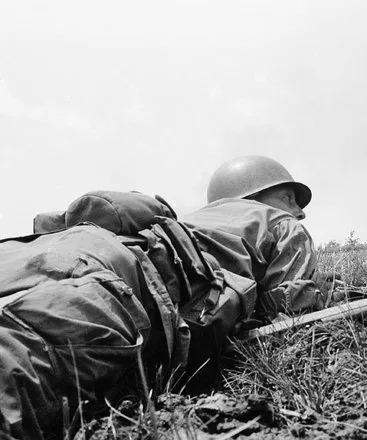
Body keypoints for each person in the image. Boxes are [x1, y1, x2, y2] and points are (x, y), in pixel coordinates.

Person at [0, 155, 328, 439]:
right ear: (255, 194)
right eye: (288, 198)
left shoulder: (185, 224)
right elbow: (294, 317)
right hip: (119, 283)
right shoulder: (280, 224)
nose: (299, 212)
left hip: (35, 252)